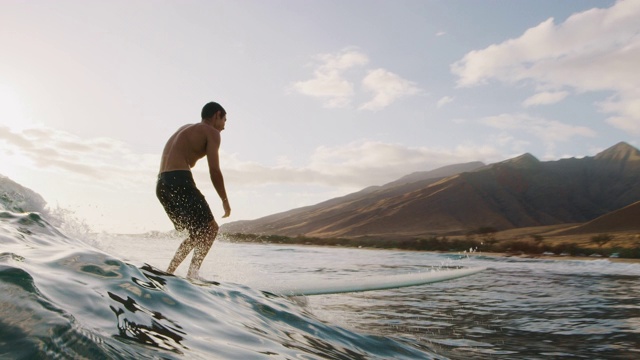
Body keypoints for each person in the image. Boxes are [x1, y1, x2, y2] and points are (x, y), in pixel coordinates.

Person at [156, 101, 231, 279]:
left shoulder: (185, 129)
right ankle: (192, 275)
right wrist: (225, 200)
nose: (224, 127)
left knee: (197, 233)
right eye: (224, 121)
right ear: (217, 115)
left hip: (162, 185)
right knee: (211, 229)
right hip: (179, 180)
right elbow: (214, 170)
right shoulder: (211, 132)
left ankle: (169, 272)